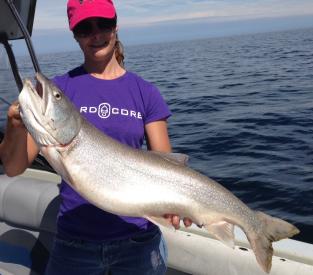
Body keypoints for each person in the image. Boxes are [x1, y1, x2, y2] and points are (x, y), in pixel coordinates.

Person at [0, 0, 192, 274]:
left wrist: (176, 203)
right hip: (74, 243)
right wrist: (15, 127)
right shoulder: (62, 88)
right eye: (84, 28)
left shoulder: (145, 92)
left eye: (103, 24)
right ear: (74, 34)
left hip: (137, 241)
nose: (96, 34)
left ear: (115, 26)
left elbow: (165, 165)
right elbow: (14, 167)